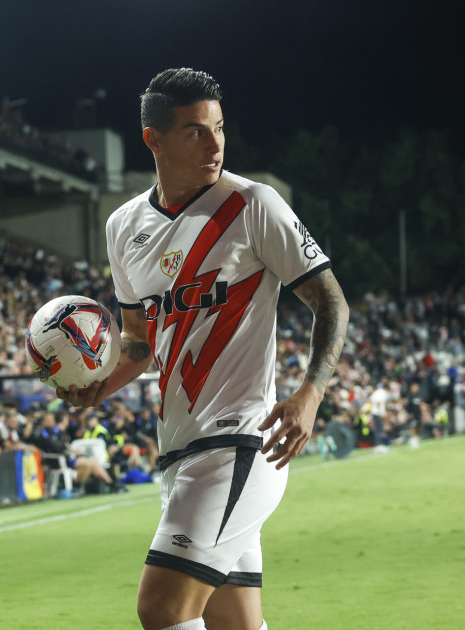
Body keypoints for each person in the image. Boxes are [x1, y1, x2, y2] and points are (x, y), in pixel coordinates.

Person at [58, 68, 348, 630]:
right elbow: (139, 346)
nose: (215, 143)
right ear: (154, 140)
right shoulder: (123, 227)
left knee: (162, 608)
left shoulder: (253, 205)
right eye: (195, 131)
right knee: (235, 624)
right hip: (180, 454)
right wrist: (98, 386)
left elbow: (331, 301)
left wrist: (311, 394)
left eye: (218, 127)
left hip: (240, 445)